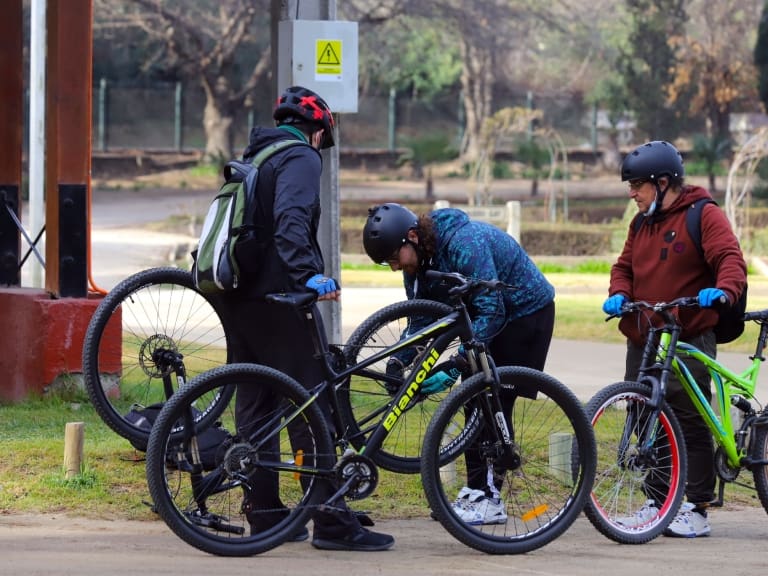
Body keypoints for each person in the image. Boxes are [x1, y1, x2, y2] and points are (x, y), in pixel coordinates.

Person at [214, 86, 394, 552]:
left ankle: (268, 514)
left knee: (257, 404)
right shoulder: (300, 157)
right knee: (311, 401)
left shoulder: (256, 156)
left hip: (240, 297)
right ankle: (331, 520)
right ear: (318, 132)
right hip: (279, 297)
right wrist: (309, 276)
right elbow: (291, 220)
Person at [362, 202, 556, 525]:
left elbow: (492, 310)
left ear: (412, 237)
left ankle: (490, 499)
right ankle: (475, 491)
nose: (395, 267)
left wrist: (456, 364)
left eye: (394, 258)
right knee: (472, 398)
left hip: (524, 313)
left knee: (491, 400)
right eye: (387, 264)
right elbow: (421, 322)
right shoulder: (416, 267)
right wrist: (399, 359)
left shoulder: (465, 243)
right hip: (487, 315)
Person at [603, 140, 747, 538]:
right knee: (645, 415)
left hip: (688, 331)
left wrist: (724, 290)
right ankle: (658, 500)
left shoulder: (704, 215)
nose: (631, 193)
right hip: (644, 334)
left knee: (688, 417)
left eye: (637, 185)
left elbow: (729, 258)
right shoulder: (641, 223)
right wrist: (620, 292)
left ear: (663, 183)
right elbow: (624, 267)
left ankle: (697, 508)